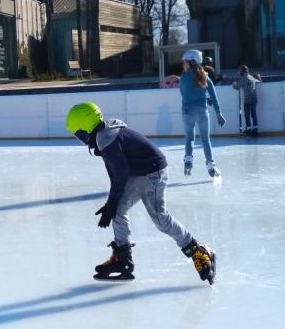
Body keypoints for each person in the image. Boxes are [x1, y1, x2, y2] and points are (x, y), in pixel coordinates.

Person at [66, 102, 217, 284]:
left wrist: (112, 201)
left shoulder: (106, 138)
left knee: (160, 218)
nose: (79, 139)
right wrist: (111, 204)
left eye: (78, 134)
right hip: (137, 173)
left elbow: (120, 173)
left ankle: (199, 250)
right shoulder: (104, 134)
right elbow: (116, 173)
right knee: (118, 209)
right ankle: (123, 260)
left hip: (153, 172)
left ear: (84, 128)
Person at [179, 50, 226, 177]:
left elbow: (185, 95)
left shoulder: (183, 77)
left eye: (184, 62)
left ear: (191, 62)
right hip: (201, 112)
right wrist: (218, 112)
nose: (183, 65)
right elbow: (214, 96)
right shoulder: (205, 76)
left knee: (190, 138)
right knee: (205, 140)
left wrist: (202, 99)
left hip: (187, 111)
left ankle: (188, 160)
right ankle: (211, 166)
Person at [232, 65, 261, 136]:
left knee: (247, 115)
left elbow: (236, 87)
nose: (239, 72)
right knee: (254, 114)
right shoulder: (251, 77)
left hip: (247, 99)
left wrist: (233, 83)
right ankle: (255, 129)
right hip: (254, 98)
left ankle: (248, 129)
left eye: (240, 71)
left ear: (242, 71)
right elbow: (258, 81)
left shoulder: (243, 79)